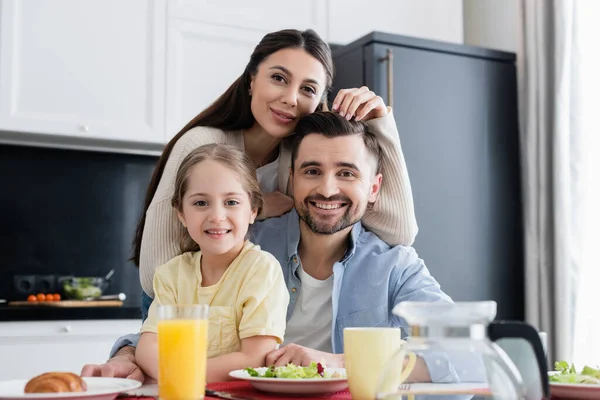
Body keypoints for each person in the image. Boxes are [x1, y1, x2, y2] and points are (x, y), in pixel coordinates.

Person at [83, 112, 464, 384]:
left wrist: (338, 363)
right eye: (312, 171)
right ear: (291, 178)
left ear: (374, 188)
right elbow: (177, 325)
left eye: (346, 173)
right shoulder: (242, 245)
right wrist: (127, 357)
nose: (328, 189)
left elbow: (464, 353)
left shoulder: (396, 267)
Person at [134, 28, 419, 305]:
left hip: (248, 307)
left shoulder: (306, 159)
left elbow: (399, 232)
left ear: (319, 101)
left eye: (307, 89)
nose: (290, 98)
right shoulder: (202, 145)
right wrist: (254, 209)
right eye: (279, 78)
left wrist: (381, 123)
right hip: (179, 307)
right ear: (251, 80)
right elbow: (154, 275)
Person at [135, 143, 289, 383]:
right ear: (181, 214)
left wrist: (181, 375)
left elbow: (255, 358)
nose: (217, 216)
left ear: (253, 210)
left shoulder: (261, 270)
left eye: (231, 202)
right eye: (200, 203)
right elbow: (147, 348)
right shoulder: (171, 275)